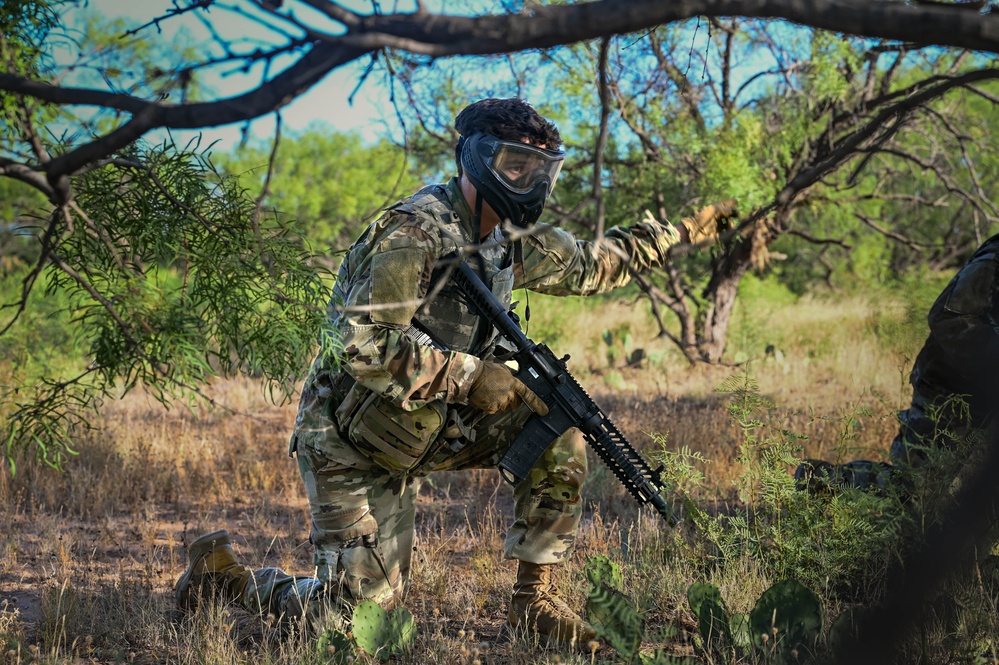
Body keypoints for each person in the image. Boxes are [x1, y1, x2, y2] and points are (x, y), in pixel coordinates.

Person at [174, 98, 737, 645]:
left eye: (542, 169)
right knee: (356, 628)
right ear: (476, 159)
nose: (531, 181)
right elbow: (363, 346)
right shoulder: (411, 233)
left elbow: (595, 264)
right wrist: (471, 378)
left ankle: (533, 602)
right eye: (516, 165)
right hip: (351, 437)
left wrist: (683, 231)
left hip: (429, 423)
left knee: (558, 423)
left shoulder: (511, 244)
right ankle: (229, 582)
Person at [795, 231, 999, 494]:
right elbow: (947, 317)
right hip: (947, 388)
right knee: (917, 490)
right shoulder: (994, 260)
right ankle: (821, 479)